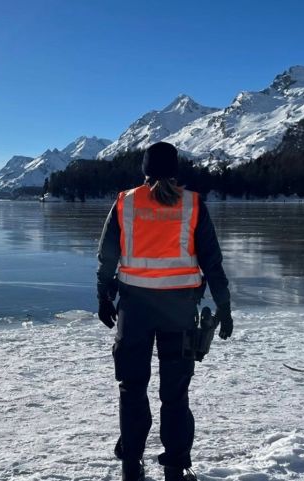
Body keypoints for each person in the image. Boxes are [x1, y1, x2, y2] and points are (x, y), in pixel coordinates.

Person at [96, 142, 233, 481]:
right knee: (175, 394)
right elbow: (212, 262)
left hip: (135, 310)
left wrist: (103, 294)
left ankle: (131, 467)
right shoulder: (192, 204)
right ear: (176, 170)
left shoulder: (125, 202)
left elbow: (108, 255)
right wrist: (224, 304)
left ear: (144, 170)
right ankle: (175, 468)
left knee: (132, 388)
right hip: (179, 311)